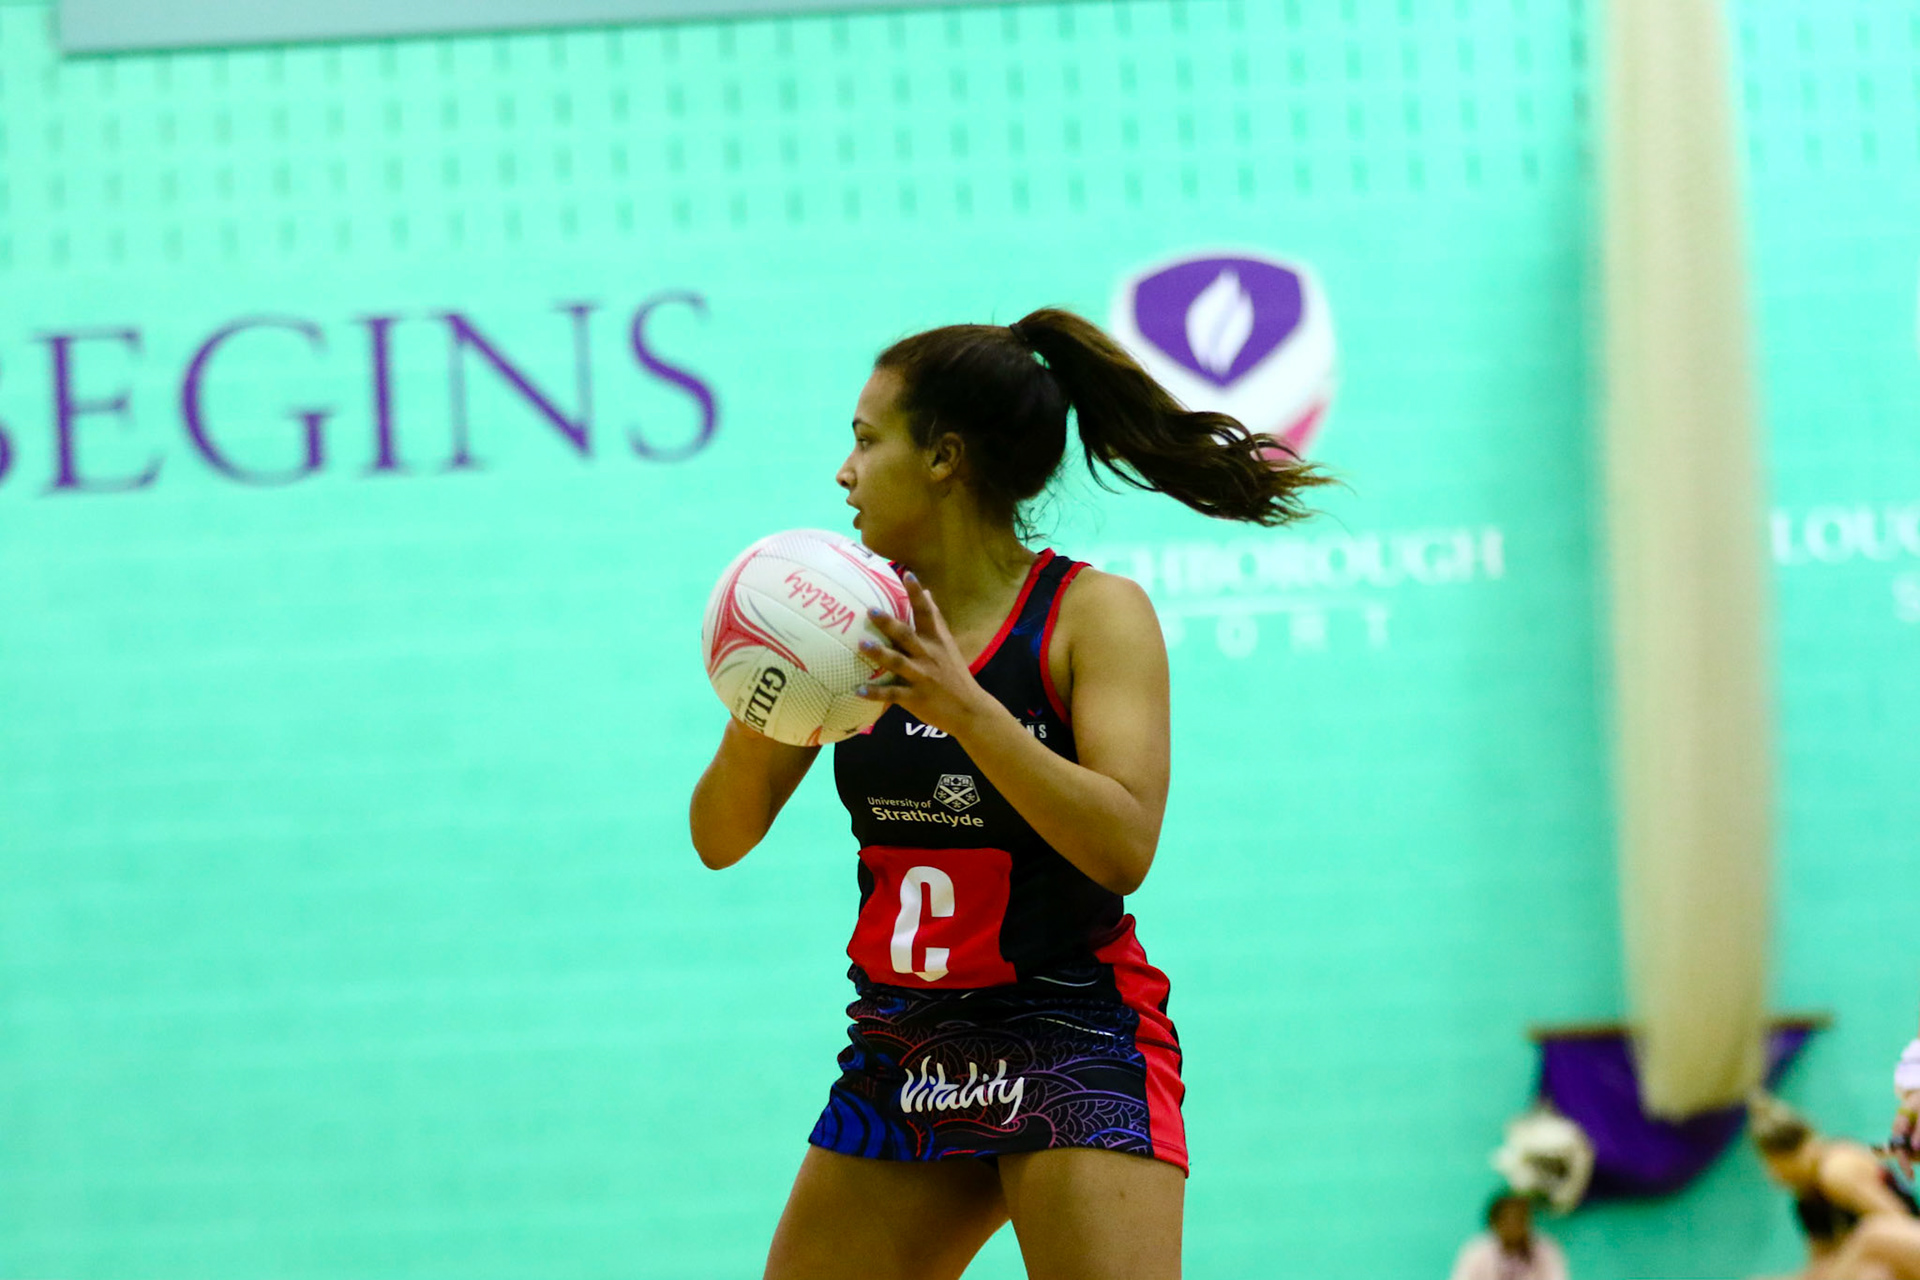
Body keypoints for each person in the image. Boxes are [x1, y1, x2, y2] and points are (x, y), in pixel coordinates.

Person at [688, 309, 1328, 1280]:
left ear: (943, 458)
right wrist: (772, 678)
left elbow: (1125, 846)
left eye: (866, 439)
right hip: (907, 1037)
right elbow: (719, 835)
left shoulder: (1090, 615)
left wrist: (968, 706)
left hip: (1068, 1026)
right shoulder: (851, 635)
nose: (843, 471)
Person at [1750, 1093, 1920, 1280]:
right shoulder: (1806, 1198)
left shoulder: (1836, 1171)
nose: (1769, 1175)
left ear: (1779, 1158)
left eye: (1768, 1165)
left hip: (1906, 1249)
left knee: (1872, 1243)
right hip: (1882, 1260)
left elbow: (1898, 1223)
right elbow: (1819, 1264)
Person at [1448, 1193, 1570, 1280]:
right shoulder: (1477, 1252)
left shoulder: (1545, 1250)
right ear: (1494, 1223)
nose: (1514, 1227)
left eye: (1520, 1220)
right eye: (1507, 1221)